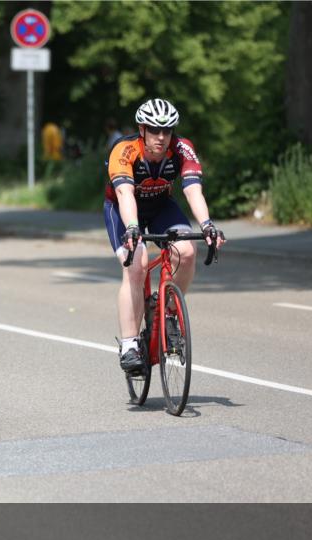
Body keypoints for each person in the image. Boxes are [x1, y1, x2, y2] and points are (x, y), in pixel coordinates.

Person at [104, 98, 226, 372]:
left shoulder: (182, 149)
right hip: (123, 210)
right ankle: (129, 344)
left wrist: (207, 225)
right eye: (155, 130)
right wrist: (133, 228)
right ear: (142, 129)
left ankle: (168, 311)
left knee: (186, 252)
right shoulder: (124, 150)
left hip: (161, 207)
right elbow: (125, 194)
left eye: (167, 131)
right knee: (137, 265)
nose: (162, 137)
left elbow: (193, 190)